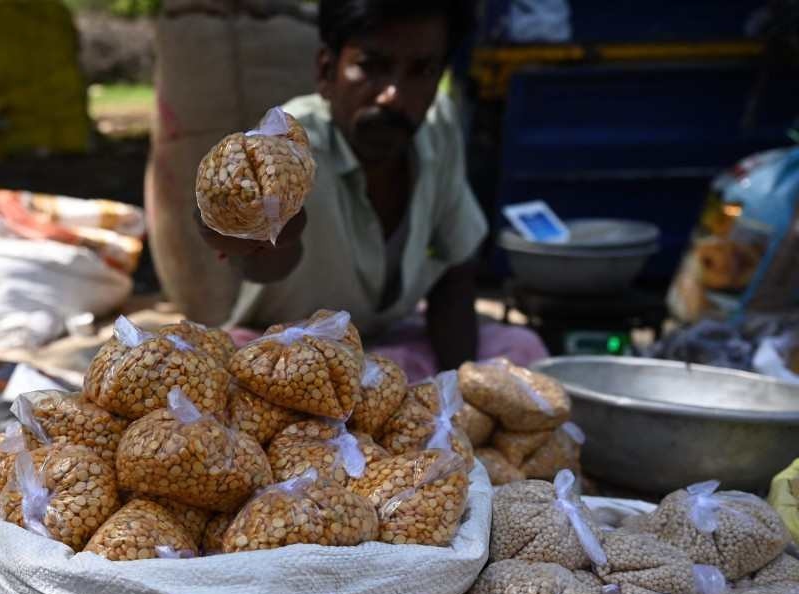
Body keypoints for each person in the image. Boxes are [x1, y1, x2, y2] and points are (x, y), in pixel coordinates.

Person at [196, 0, 547, 380]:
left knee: (521, 349)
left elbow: (455, 273)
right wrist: (245, 224)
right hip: (285, 358)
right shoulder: (288, 148)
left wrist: (457, 394)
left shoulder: (438, 129)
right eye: (372, 66)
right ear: (327, 71)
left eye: (421, 70)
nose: (393, 95)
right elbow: (260, 260)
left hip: (388, 347)